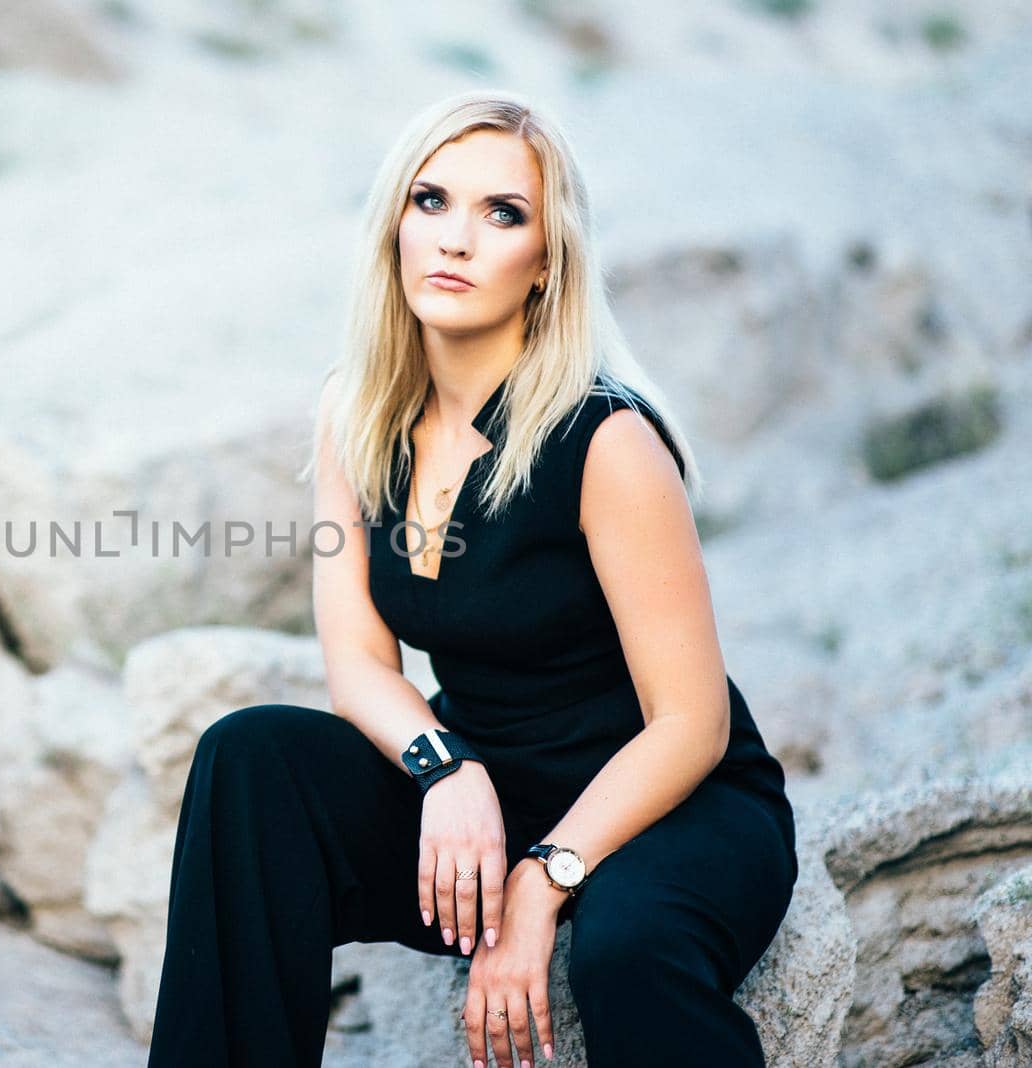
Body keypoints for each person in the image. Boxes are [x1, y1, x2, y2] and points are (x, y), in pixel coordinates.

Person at [145, 88, 798, 1068]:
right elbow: (358, 658)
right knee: (252, 761)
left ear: (545, 264)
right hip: (492, 773)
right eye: (430, 201)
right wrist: (443, 767)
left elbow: (689, 723)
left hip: (666, 797)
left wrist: (541, 885)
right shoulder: (354, 416)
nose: (454, 238)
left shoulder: (606, 440)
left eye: (503, 214)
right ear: (393, 227)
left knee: (624, 951)